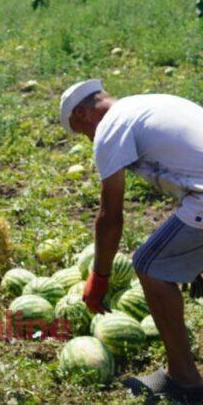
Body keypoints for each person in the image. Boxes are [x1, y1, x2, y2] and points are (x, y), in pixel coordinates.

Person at [61, 80, 203, 401]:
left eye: (82, 133)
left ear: (83, 114)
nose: (89, 140)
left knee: (150, 266)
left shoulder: (111, 128)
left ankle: (184, 379)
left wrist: (99, 277)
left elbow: (110, 217)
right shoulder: (147, 103)